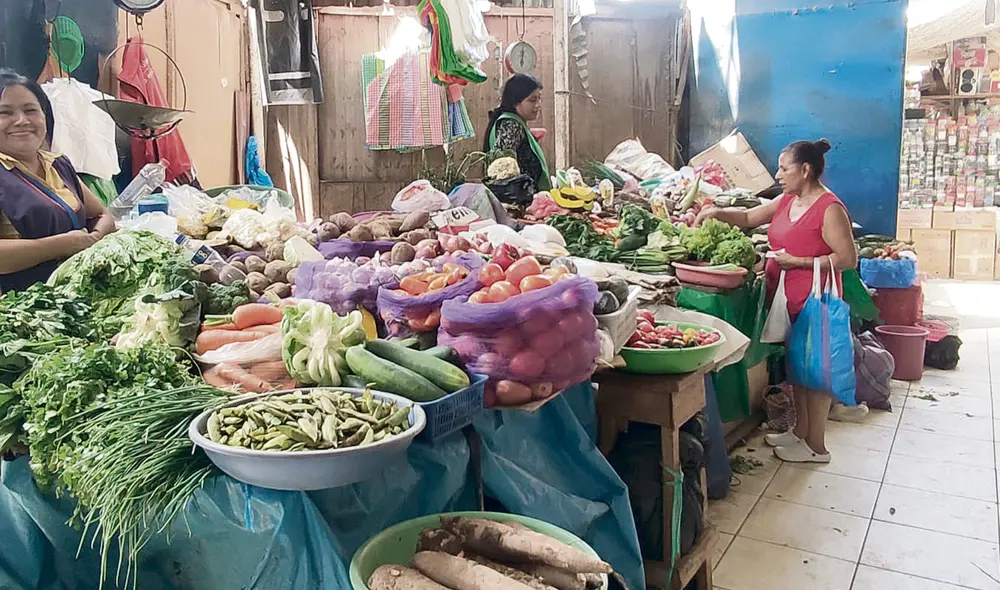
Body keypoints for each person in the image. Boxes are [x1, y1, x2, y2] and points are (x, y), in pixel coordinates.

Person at [695, 139, 858, 464]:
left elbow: (847, 259)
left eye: (784, 168)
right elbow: (749, 218)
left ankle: (817, 446)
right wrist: (716, 212)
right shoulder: (787, 200)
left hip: (815, 298)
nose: (777, 174)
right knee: (797, 367)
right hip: (786, 298)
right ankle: (800, 433)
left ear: (806, 169)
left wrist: (797, 262)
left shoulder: (829, 208)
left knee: (816, 373)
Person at [0, 69, 114, 292]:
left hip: (77, 297)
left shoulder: (58, 165)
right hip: (21, 308)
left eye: (31, 110)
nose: (22, 121)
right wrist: (61, 246)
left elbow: (102, 214)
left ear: (45, 116)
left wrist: (94, 238)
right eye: (5, 113)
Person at [483, 74, 551, 191]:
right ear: (515, 102)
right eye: (532, 100)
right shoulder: (511, 125)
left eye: (539, 98)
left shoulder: (513, 123)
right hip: (517, 203)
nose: (538, 105)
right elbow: (504, 172)